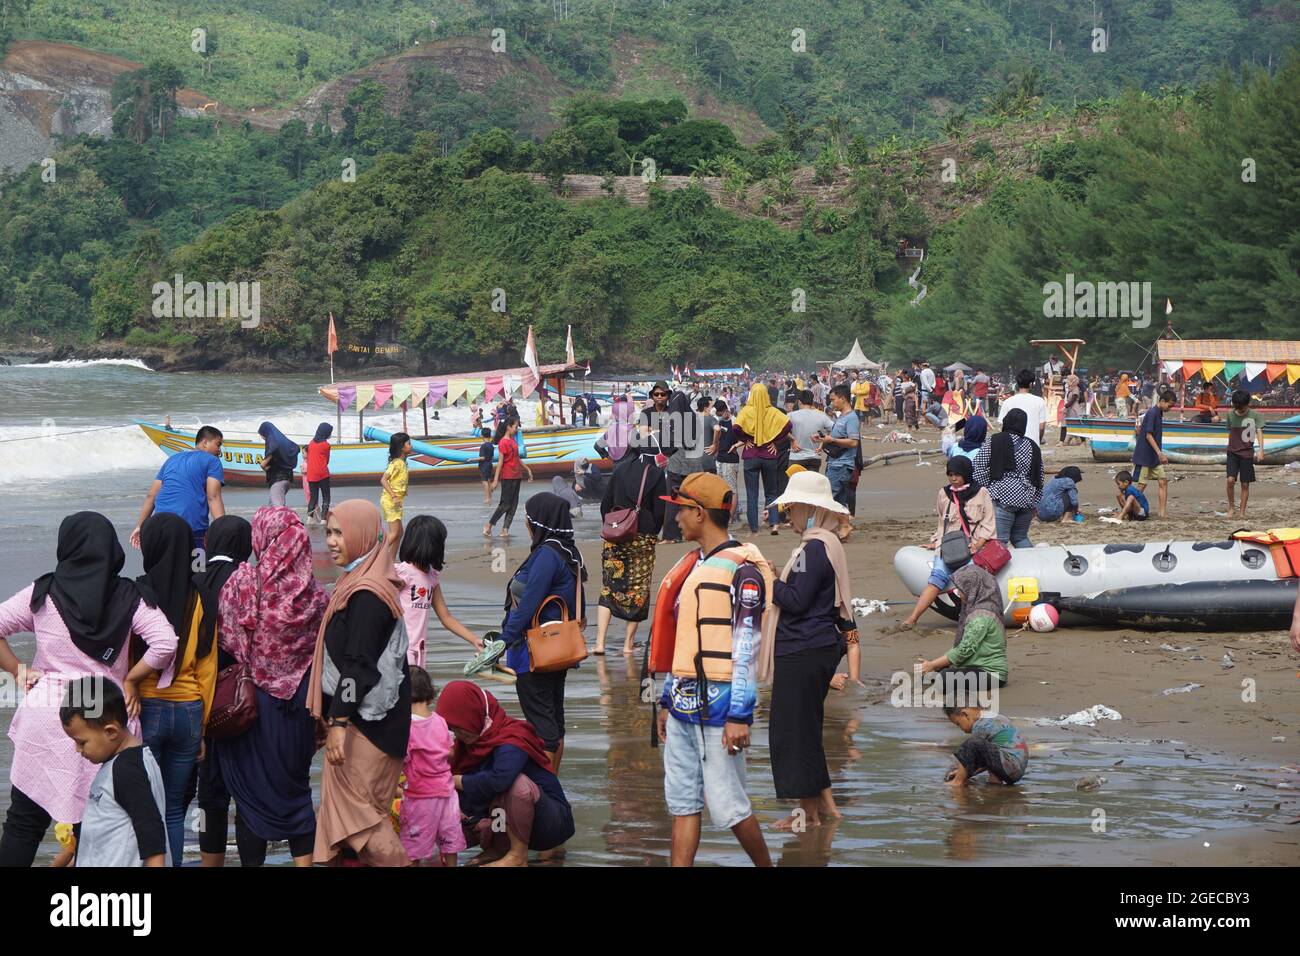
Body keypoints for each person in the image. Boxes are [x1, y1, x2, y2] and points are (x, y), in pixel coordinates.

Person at [0, 512, 177, 867]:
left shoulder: (43, 591)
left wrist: (19, 671)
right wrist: (130, 679)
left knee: (23, 824)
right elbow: (166, 641)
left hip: (47, 714)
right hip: (100, 715)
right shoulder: (129, 596)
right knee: (93, 826)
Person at [654, 473, 773, 867]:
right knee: (683, 802)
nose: (676, 520)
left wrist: (740, 714)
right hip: (684, 702)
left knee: (729, 804)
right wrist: (667, 700)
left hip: (721, 708)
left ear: (700, 513)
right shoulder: (696, 567)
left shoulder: (744, 571)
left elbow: (746, 645)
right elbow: (686, 642)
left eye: (681, 511)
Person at [208, 507, 326, 867]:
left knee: (250, 796)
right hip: (299, 704)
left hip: (253, 705)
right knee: (295, 788)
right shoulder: (317, 596)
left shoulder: (243, 583)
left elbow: (228, 639)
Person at [309, 499, 412, 867]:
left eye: (340, 533)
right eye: (329, 533)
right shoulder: (356, 582)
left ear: (363, 536)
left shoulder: (368, 594)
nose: (332, 541)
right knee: (350, 821)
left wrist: (337, 722)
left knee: (361, 824)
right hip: (363, 721)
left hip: (369, 727)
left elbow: (359, 667)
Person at [759, 472, 859, 832]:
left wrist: (772, 583)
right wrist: (779, 580)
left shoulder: (814, 547)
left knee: (793, 733)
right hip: (813, 646)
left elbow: (797, 600)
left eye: (792, 508)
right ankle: (821, 810)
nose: (789, 515)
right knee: (806, 730)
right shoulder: (823, 544)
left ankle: (806, 816)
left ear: (811, 509)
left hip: (803, 647)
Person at [136, 512, 210, 867]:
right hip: (190, 710)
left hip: (146, 707)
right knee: (175, 809)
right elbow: (207, 669)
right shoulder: (201, 596)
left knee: (145, 808)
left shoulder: (137, 591)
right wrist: (204, 729)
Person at [437, 680, 575, 866]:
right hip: (505, 822)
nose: (458, 733)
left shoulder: (512, 738)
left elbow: (499, 780)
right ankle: (500, 849)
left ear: (475, 715)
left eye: (460, 726)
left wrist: (454, 780)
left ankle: (517, 856)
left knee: (515, 784)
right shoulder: (468, 745)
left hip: (548, 825)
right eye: (453, 728)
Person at [500, 493, 586, 772]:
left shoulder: (548, 555)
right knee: (553, 722)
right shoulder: (568, 552)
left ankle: (546, 792)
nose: (525, 522)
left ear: (538, 521)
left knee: (543, 730)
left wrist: (502, 642)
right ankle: (554, 785)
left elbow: (528, 605)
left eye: (527, 517)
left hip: (534, 653)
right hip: (557, 650)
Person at [187, 514, 253, 868]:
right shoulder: (247, 580)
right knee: (246, 794)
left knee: (209, 797)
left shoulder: (192, 580)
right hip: (240, 700)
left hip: (197, 701)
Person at [59, 678, 168, 866]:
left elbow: (153, 838)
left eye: (82, 742)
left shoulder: (126, 771)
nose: (78, 749)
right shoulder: (126, 761)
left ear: (110, 732)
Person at [900, 456, 996, 628]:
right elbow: (941, 521)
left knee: (968, 583)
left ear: (966, 473)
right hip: (948, 549)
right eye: (950, 475)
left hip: (972, 548)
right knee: (935, 580)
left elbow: (988, 523)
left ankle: (969, 620)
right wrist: (935, 542)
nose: (953, 479)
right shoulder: (943, 494)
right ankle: (912, 619)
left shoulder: (982, 493)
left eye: (957, 475)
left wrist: (977, 545)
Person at [595, 447, 667, 656]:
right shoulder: (655, 474)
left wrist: (613, 527)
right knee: (639, 588)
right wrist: (652, 531)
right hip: (642, 536)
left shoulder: (619, 471)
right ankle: (628, 645)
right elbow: (660, 510)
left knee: (609, 587)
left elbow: (605, 504)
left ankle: (600, 643)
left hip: (616, 535)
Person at [398, 668, 466, 866]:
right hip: (447, 794)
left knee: (413, 849)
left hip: (420, 797)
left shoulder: (406, 727)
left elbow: (401, 760)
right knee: (449, 841)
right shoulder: (441, 721)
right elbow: (451, 753)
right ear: (429, 693)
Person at [397, 515, 483, 669]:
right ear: (432, 545)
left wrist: (473, 639)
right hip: (399, 650)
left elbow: (446, 617)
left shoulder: (431, 576)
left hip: (419, 650)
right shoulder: (403, 573)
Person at [132, 425, 226, 551]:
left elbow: (151, 495)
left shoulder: (171, 459)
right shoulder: (212, 461)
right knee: (197, 569)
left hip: (159, 527)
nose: (219, 450)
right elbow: (213, 497)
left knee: (163, 569)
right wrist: (224, 529)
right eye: (218, 445)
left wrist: (140, 526)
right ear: (205, 443)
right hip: (192, 527)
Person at [916, 564, 1009, 687]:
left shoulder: (981, 618)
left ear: (973, 589)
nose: (958, 592)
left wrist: (933, 664)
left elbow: (963, 651)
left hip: (990, 673)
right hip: (974, 666)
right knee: (935, 673)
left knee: (943, 679)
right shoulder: (977, 609)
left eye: (961, 589)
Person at [973, 408, 1043, 549]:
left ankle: (998, 571)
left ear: (1006, 421)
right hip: (1026, 498)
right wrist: (1035, 501)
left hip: (1002, 496)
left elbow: (978, 466)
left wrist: (989, 487)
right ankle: (1031, 568)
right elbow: (1039, 476)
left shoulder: (995, 440)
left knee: (999, 541)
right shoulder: (1033, 446)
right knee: (1020, 538)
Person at [733, 382, 792, 536]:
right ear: (766, 396)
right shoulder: (773, 412)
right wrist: (776, 442)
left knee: (752, 494)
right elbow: (788, 425)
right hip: (769, 455)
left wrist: (745, 439)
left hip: (751, 454)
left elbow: (736, 428)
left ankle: (754, 528)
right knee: (771, 492)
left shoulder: (746, 411)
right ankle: (774, 524)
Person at [942, 703, 1028, 787]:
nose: (960, 728)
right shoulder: (996, 717)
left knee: (972, 743)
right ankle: (995, 784)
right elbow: (986, 758)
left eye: (958, 724)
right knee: (990, 749)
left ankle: (957, 782)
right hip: (1015, 769)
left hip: (1009, 763)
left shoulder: (980, 726)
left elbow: (972, 754)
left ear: (966, 714)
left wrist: (960, 775)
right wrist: (962, 772)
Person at [815, 384, 859, 538]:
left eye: (833, 400)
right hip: (835, 462)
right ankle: (844, 527)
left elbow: (854, 442)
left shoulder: (851, 418)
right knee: (839, 500)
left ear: (843, 398)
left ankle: (822, 529)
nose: (832, 403)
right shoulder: (841, 417)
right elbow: (837, 438)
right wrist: (823, 440)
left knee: (828, 498)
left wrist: (831, 439)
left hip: (842, 464)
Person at [484, 418, 531, 538]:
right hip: (507, 476)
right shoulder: (503, 443)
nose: (517, 429)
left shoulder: (513, 440)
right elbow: (500, 462)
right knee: (505, 504)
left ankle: (505, 529)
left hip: (517, 475)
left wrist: (527, 469)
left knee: (514, 505)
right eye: (515, 427)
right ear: (508, 427)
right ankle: (489, 526)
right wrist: (495, 480)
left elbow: (517, 458)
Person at [1133, 389, 1175, 519]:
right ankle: (1129, 508)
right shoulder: (1152, 413)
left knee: (1163, 481)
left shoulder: (1159, 413)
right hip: (1145, 455)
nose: (1170, 408)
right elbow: (1148, 435)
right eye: (1169, 405)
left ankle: (1162, 513)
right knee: (1141, 485)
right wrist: (1160, 453)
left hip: (1154, 457)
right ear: (1162, 401)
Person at [1225, 389, 1265, 518]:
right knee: (1230, 480)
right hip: (1232, 452)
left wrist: (1261, 450)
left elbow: (1259, 432)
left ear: (1248, 403)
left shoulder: (1255, 415)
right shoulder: (1230, 415)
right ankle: (1231, 507)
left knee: (1245, 483)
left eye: (1242, 407)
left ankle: (1242, 512)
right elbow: (1230, 430)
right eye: (1237, 407)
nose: (1239, 410)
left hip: (1247, 454)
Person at [709, 400, 742, 526]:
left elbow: (745, 438)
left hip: (730, 459)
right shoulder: (719, 421)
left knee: (732, 489)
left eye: (721, 412)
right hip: (719, 458)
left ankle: (731, 517)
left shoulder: (735, 421)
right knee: (722, 489)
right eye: (718, 413)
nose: (720, 414)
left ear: (726, 410)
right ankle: (724, 513)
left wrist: (735, 445)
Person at [381, 431, 412, 558]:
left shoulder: (402, 463)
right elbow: (383, 480)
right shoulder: (396, 463)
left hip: (396, 502)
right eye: (408, 443)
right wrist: (393, 496)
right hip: (390, 501)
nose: (411, 446)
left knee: (399, 533)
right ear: (402, 447)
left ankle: (391, 561)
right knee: (394, 533)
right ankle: (373, 556)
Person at [788, 390, 833, 474]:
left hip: (796, 457)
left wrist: (792, 440)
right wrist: (822, 444)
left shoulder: (791, 416)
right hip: (814, 457)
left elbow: (780, 430)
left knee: (796, 486)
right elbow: (835, 430)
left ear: (799, 402)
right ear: (812, 402)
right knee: (811, 486)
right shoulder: (822, 416)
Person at [998, 370, 1047, 447]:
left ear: (1017, 383)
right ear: (1031, 384)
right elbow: (1041, 427)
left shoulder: (1008, 402)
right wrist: (1039, 439)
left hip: (1012, 446)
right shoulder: (1040, 401)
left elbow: (1002, 427)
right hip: (1033, 445)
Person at [257, 421, 300, 508]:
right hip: (287, 478)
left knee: (278, 508)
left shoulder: (273, 441)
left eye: (262, 435)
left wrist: (263, 464)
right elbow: (296, 448)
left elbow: (271, 452)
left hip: (278, 479)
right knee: (272, 506)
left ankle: (285, 521)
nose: (262, 437)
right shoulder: (283, 441)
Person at [305, 423, 333, 523]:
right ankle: (323, 519)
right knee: (326, 496)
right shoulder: (326, 445)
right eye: (330, 432)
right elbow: (327, 460)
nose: (330, 434)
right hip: (322, 473)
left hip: (311, 474)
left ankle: (310, 517)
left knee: (313, 496)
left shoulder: (311, 443)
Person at [476, 427, 495, 504]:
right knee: (489, 480)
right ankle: (490, 497)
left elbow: (482, 457)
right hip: (490, 464)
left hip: (484, 465)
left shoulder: (483, 446)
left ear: (482, 435)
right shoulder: (491, 445)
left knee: (485, 482)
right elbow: (492, 457)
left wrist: (472, 459)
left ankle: (487, 498)